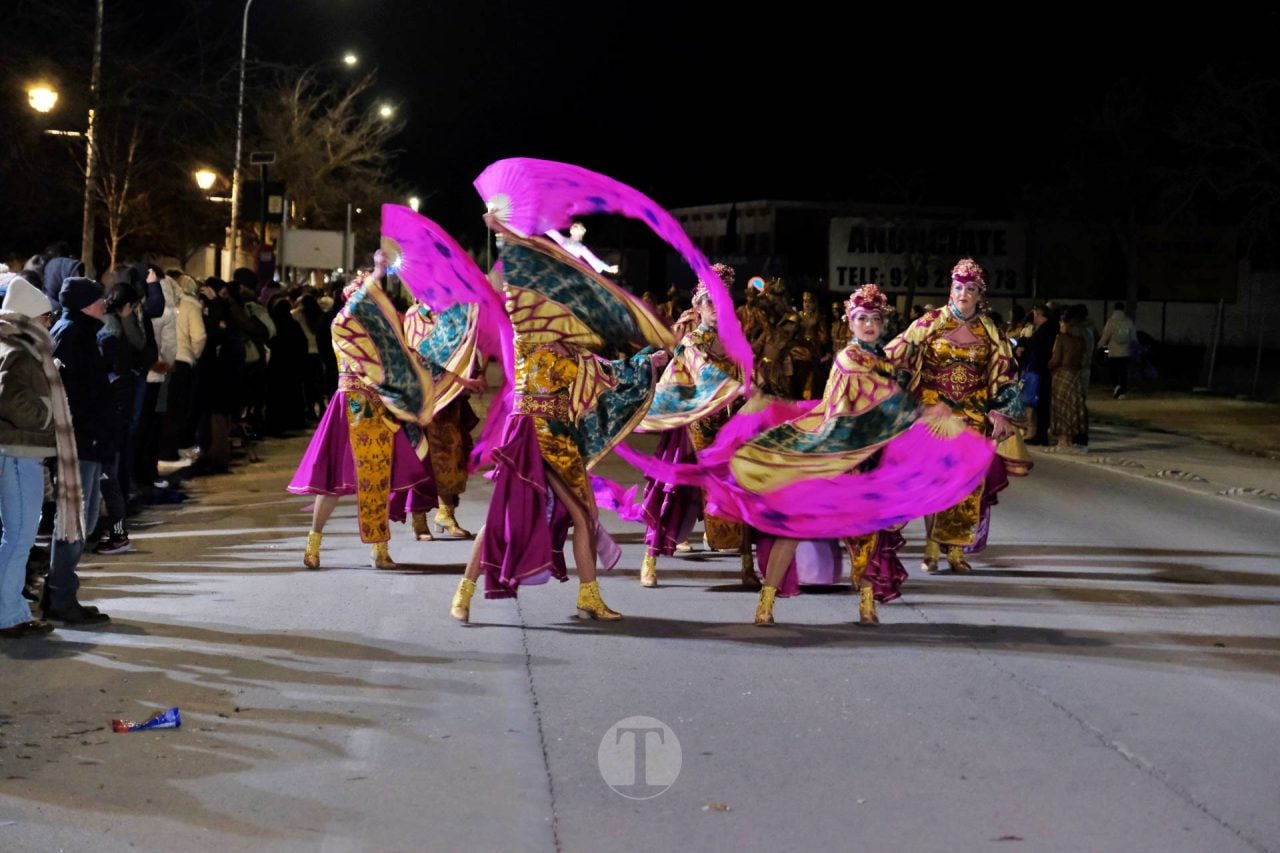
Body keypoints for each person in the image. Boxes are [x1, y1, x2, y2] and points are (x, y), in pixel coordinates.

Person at [448, 222, 669, 623]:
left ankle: (589, 598)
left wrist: (644, 362)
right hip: (528, 435)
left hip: (559, 438)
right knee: (502, 517)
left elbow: (607, 372)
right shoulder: (525, 335)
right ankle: (463, 593)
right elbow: (508, 282)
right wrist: (503, 235)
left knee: (583, 517)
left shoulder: (570, 349)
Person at [744, 284, 917, 626]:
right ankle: (766, 602)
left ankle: (867, 604)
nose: (869, 325)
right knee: (794, 528)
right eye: (862, 318)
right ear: (850, 323)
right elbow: (863, 407)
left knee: (867, 533)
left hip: (861, 458)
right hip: (833, 455)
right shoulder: (851, 359)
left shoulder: (879, 361)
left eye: (875, 319)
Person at [287, 253, 435, 570]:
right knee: (329, 484)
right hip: (351, 407)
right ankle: (313, 544)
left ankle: (380, 549)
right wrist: (379, 272)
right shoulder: (343, 324)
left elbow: (401, 360)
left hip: (376, 409)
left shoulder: (377, 330)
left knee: (377, 480)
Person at [883, 258, 1026, 574]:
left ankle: (956, 552)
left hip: (972, 417)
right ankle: (932, 550)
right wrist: (903, 402)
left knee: (964, 486)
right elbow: (895, 358)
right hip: (933, 415)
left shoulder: (991, 331)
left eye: (970, 289)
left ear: (980, 294)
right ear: (951, 289)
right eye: (958, 287)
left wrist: (1001, 413)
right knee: (933, 481)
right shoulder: (928, 323)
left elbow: (1007, 375)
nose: (963, 294)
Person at [635, 268, 753, 589]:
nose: (717, 307)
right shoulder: (691, 341)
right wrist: (727, 388)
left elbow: (748, 378)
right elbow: (700, 372)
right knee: (670, 491)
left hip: (728, 431)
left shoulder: (734, 340)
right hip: (694, 428)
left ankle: (748, 567)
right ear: (697, 306)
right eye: (709, 301)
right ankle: (649, 561)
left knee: (743, 492)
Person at [0, 279, 70, 638]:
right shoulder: (18, 348)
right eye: (46, 316)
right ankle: (9, 615)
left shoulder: (15, 344)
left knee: (14, 537)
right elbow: (9, 398)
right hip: (18, 451)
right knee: (19, 537)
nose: (49, 322)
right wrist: (46, 415)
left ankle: (10, 609)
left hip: (17, 451)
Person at [45, 276, 114, 624]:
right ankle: (60, 596)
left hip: (86, 439)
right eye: (99, 299)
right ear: (86, 303)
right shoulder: (72, 334)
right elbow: (71, 394)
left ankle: (60, 592)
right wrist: (93, 429)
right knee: (74, 521)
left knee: (79, 520)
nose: (105, 304)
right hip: (78, 442)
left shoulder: (78, 331)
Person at [1047, 312, 1087, 452]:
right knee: (1072, 408)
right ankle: (1070, 439)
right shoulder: (1081, 341)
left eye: (1062, 323)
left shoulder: (1061, 339)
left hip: (1062, 375)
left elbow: (1056, 359)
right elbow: (1084, 361)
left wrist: (1048, 366)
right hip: (1075, 377)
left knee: (1061, 407)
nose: (1060, 325)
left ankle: (1063, 439)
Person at [1098, 301, 1135, 399]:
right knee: (1123, 372)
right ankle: (1122, 391)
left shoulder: (1111, 321)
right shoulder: (1129, 321)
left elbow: (1105, 336)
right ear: (1123, 309)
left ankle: (1116, 386)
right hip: (1125, 351)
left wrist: (1099, 346)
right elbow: (1133, 337)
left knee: (1113, 371)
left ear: (1114, 309)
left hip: (1113, 351)